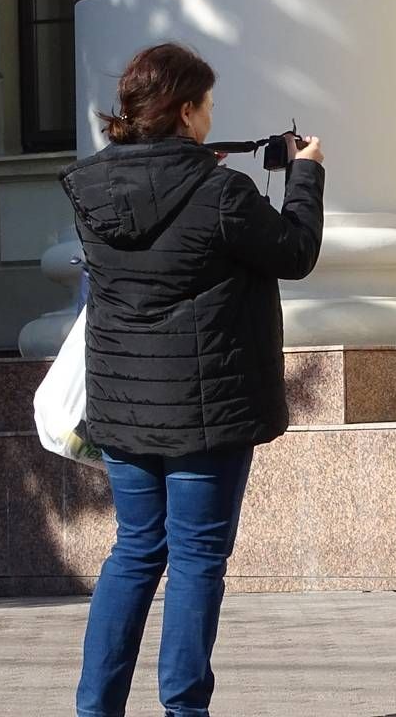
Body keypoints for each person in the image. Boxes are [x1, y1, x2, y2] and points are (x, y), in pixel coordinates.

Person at [62, 43, 326, 717]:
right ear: (185, 111)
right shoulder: (220, 192)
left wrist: (192, 177)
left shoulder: (89, 187)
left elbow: (154, 229)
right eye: (206, 104)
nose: (211, 114)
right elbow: (294, 252)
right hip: (205, 413)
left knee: (134, 553)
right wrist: (305, 176)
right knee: (198, 558)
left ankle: (95, 709)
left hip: (124, 409)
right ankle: (185, 709)